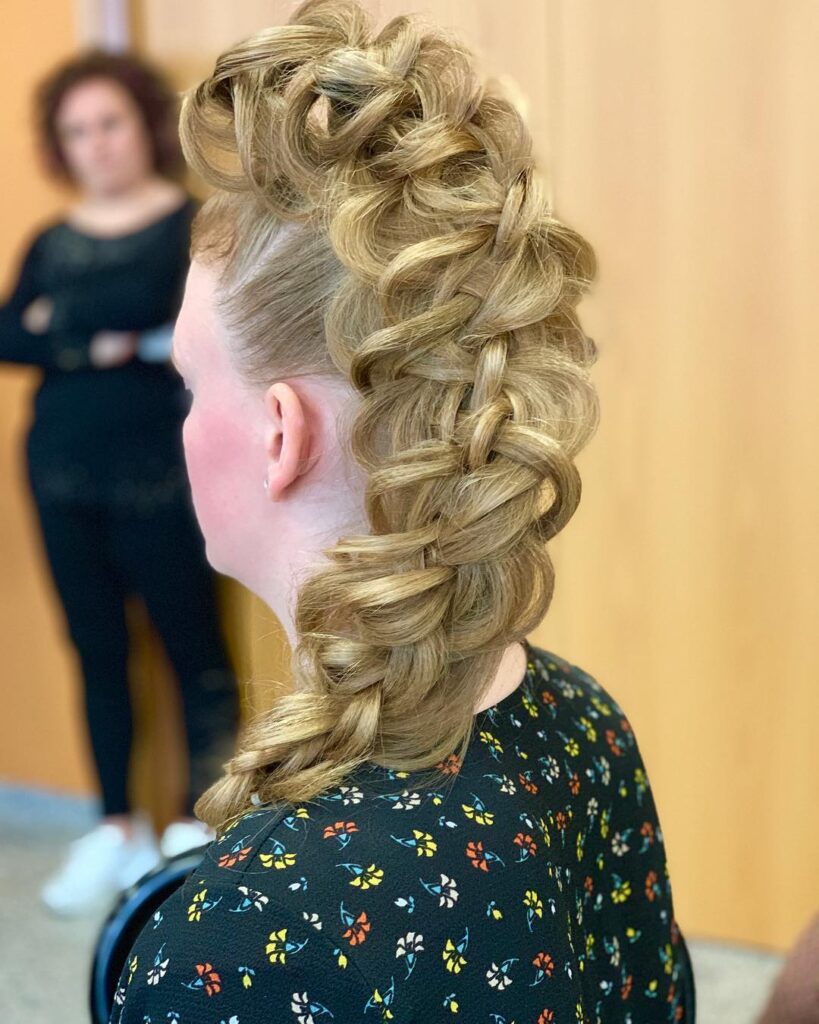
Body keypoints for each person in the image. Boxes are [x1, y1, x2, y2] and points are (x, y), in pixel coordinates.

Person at [110, 1, 696, 1020]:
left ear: (280, 435)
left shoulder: (239, 941)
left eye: (194, 386)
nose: (183, 419)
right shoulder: (580, 720)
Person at [0, 50, 241, 915]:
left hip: (166, 473)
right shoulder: (51, 240)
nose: (96, 144)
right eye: (77, 131)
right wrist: (102, 335)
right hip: (59, 473)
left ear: (143, 124)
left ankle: (193, 826)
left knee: (192, 648)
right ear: (61, 147)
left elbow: (191, 331)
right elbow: (8, 336)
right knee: (96, 649)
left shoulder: (194, 226)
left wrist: (64, 324)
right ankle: (115, 826)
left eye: (109, 122)